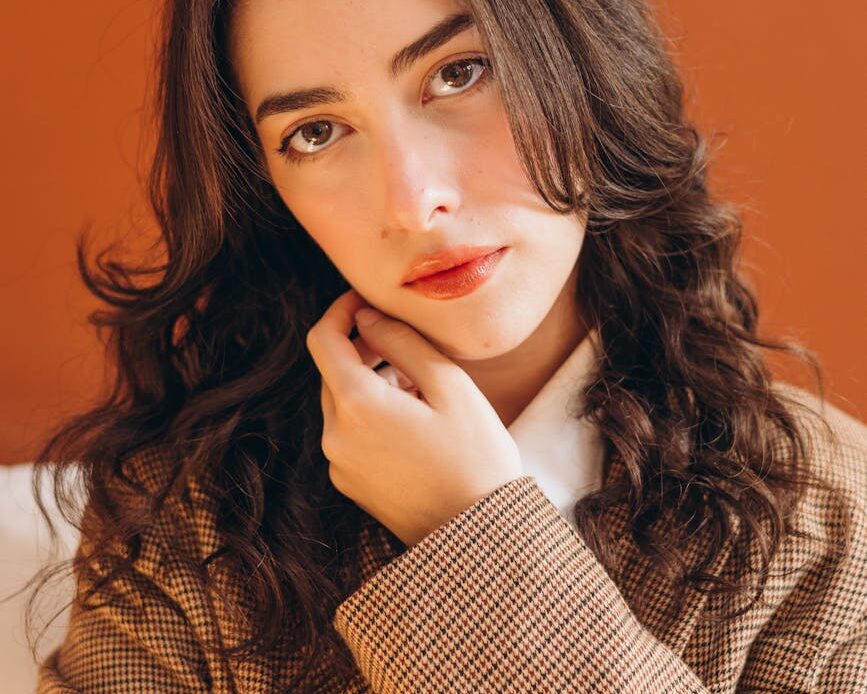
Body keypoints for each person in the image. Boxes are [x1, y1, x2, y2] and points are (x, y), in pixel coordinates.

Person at [28, 0, 866, 691]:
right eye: (316, 132)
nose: (412, 199)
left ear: (581, 70)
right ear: (270, 191)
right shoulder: (179, 520)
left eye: (458, 74)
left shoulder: (832, 529)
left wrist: (469, 534)